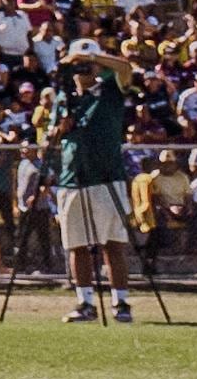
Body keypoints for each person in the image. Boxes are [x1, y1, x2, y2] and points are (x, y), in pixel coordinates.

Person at [48, 49, 140, 324]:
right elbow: (51, 137)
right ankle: (85, 301)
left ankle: (120, 300)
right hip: (73, 176)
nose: (82, 72)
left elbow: (125, 69)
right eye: (77, 68)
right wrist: (60, 129)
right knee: (77, 243)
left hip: (107, 175)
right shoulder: (64, 99)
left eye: (86, 67)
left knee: (113, 242)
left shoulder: (109, 90)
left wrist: (92, 56)